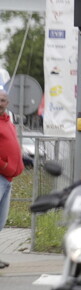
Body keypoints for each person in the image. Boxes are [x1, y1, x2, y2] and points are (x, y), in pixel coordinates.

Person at [0, 89, 24, 269]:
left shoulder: (8, 122)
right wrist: (5, 166)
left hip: (8, 179)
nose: (1, 103)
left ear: (7, 103)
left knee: (1, 221)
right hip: (1, 175)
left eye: (3, 100)